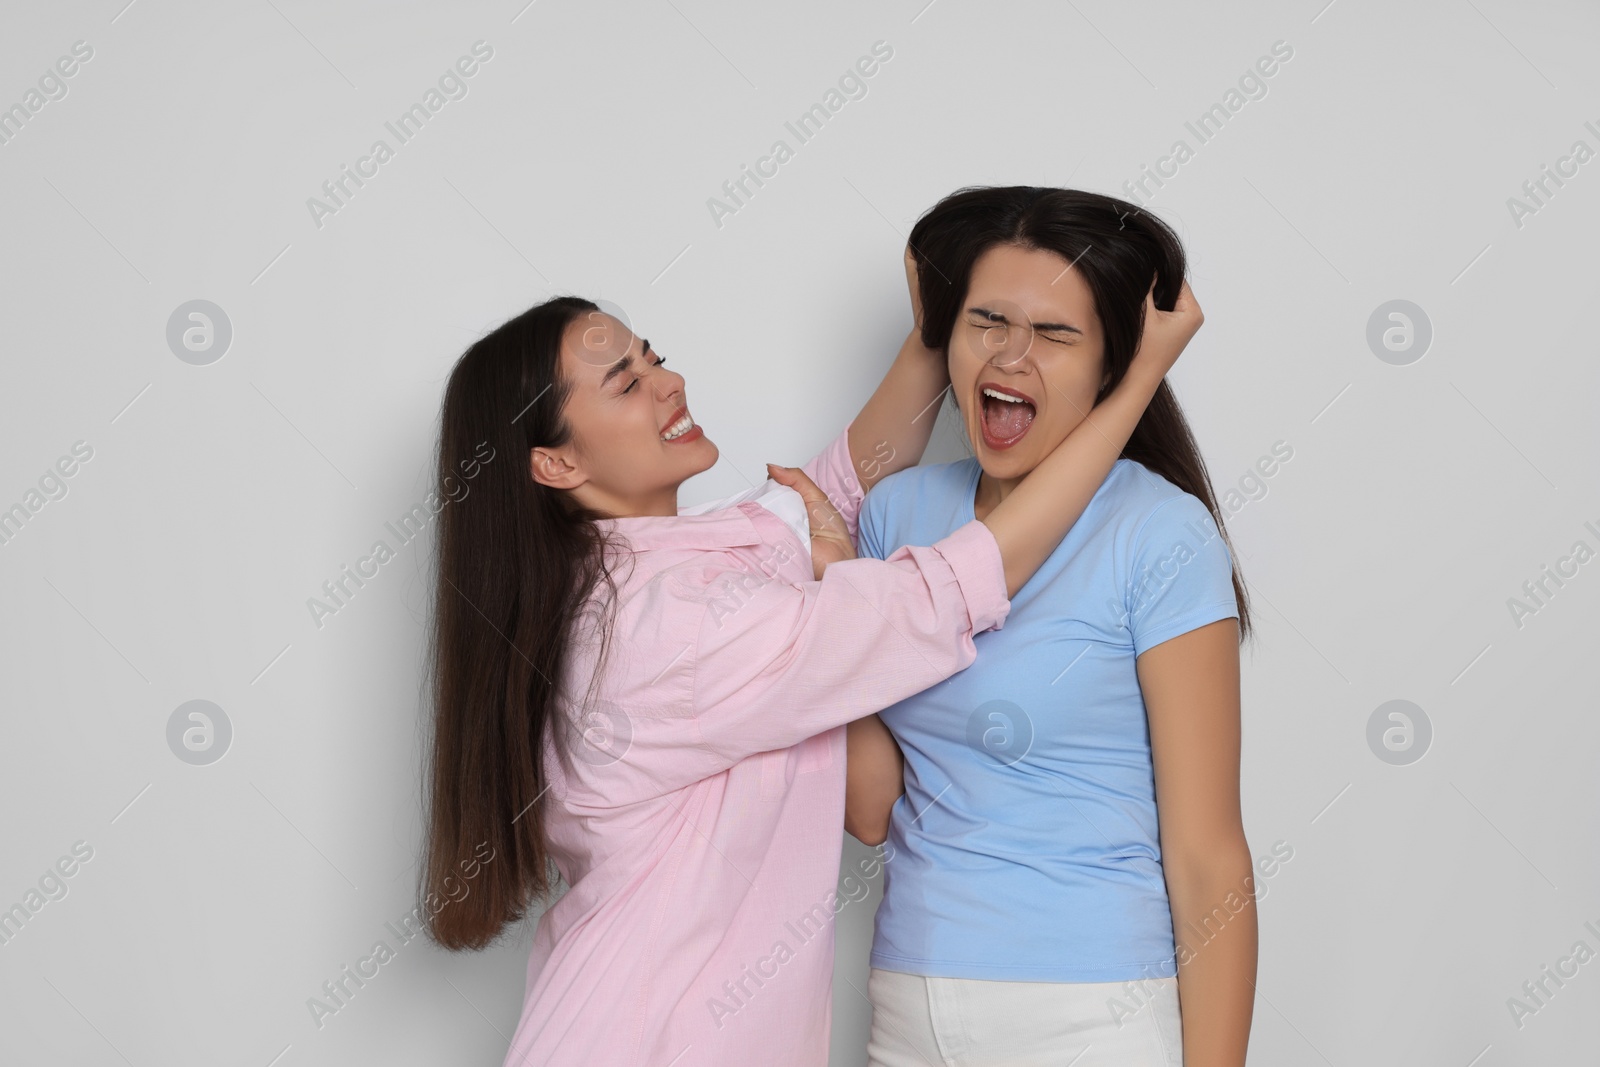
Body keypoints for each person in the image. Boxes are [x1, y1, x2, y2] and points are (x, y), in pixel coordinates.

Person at [419, 249, 1201, 1065]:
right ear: (558, 463)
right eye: (626, 382)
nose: (669, 381)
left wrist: (944, 319)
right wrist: (1137, 377)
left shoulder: (686, 556)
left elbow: (847, 484)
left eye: (652, 355)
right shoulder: (664, 625)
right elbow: (944, 591)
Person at [846, 186, 1254, 1067]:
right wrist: (823, 589)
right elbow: (869, 805)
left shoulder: (1160, 532)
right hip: (908, 1004)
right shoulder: (895, 516)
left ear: (1115, 364)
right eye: (986, 320)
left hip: (1089, 1010)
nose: (1011, 354)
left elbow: (1207, 854)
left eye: (1057, 334)